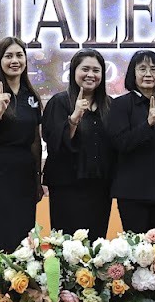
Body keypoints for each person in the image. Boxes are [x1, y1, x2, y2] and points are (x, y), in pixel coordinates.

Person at [0, 37, 43, 250]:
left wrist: (37, 178)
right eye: (9, 56)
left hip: (24, 173)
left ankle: (21, 272)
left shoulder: (31, 95)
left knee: (23, 235)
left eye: (19, 55)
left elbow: (35, 139)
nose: (15, 61)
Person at [107, 51, 155, 233]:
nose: (148, 74)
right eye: (142, 69)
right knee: (136, 246)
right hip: (133, 192)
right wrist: (147, 124)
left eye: (154, 69)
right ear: (133, 74)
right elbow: (120, 144)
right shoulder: (121, 105)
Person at [41, 49, 115, 237]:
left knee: (96, 244)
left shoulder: (110, 105)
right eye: (85, 69)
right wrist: (74, 118)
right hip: (66, 187)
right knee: (67, 244)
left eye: (96, 70)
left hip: (99, 188)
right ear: (74, 71)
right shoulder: (59, 102)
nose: (91, 75)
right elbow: (53, 142)